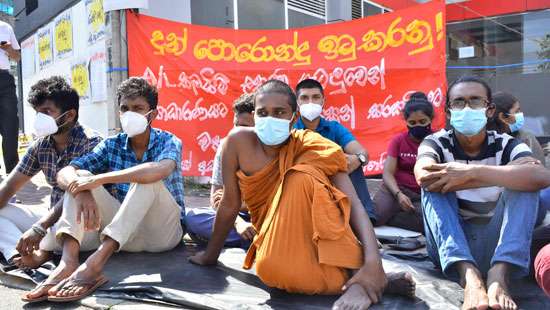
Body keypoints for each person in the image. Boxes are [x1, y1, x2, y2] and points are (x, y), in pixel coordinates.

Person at [190, 80, 415, 310]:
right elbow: (229, 204)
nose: (270, 119)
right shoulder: (236, 143)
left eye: (279, 113)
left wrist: (373, 260)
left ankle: (364, 275)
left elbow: (353, 203)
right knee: (270, 268)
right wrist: (210, 255)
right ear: (254, 115)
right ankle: (371, 281)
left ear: (293, 116)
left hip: (320, 236)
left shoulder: (312, 145)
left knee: (300, 176)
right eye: (263, 113)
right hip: (275, 239)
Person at [26, 77, 185, 303]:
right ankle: (68, 262)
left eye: (138, 108)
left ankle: (94, 265)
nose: (129, 114)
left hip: (161, 234)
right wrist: (83, 189)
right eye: (124, 108)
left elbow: (159, 170)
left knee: (146, 179)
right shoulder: (111, 144)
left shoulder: (168, 141)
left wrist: (98, 180)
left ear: (153, 114)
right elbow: (65, 173)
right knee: (78, 177)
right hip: (125, 235)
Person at [414, 76, 548, 310]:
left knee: (526, 184)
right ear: (448, 111)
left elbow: (540, 177)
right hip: (452, 249)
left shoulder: (507, 143)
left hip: (499, 244)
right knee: (433, 184)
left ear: (489, 110)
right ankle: (471, 278)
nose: (467, 108)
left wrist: (470, 173)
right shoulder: (435, 142)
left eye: (475, 101)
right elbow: (423, 174)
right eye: (459, 102)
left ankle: (498, 276)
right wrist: (504, 173)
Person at [0, 77, 102, 278]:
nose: (39, 119)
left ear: (70, 115)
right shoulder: (41, 145)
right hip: (50, 222)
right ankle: (20, 257)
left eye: (46, 112)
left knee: (76, 184)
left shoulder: (91, 142)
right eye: (37, 113)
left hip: (84, 226)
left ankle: (42, 254)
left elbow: (76, 194)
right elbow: (9, 187)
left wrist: (40, 228)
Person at [293, 79, 376, 222]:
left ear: (323, 101)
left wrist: (357, 159)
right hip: (306, 181)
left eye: (316, 97)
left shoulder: (334, 127)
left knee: (353, 162)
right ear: (297, 103)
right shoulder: (292, 129)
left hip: (335, 181)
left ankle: (366, 219)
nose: (310, 102)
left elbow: (363, 153)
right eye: (305, 98)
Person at [185, 93, 256, 247]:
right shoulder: (226, 146)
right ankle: (253, 239)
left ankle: (252, 238)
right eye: (238, 126)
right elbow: (215, 199)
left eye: (248, 128)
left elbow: (272, 202)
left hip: (263, 215)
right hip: (233, 215)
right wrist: (239, 223)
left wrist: (238, 203)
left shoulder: (270, 148)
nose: (240, 134)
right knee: (191, 218)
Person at [372, 92, 434, 233]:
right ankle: (388, 211)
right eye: (412, 123)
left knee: (429, 224)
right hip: (395, 189)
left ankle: (392, 216)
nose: (417, 126)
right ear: (406, 122)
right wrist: (398, 194)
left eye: (422, 122)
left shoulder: (437, 140)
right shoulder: (398, 140)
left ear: (430, 120)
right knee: (374, 217)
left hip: (422, 193)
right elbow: (387, 173)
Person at [488, 91, 549, 225]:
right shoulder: (485, 141)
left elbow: (539, 176)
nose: (521, 114)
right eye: (517, 111)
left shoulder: (525, 137)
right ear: (503, 117)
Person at [0, 20, 21, 176]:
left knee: (11, 126)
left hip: (5, 80)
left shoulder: (5, 27)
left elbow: (17, 57)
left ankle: (13, 172)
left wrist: (8, 49)